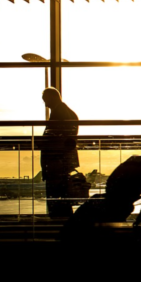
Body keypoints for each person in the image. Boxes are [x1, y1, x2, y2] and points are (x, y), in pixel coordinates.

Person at [41, 87, 80, 218]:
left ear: (53, 97)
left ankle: (59, 224)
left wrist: (44, 142)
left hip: (56, 161)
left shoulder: (60, 113)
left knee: (56, 197)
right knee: (63, 198)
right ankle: (64, 224)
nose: (45, 103)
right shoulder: (68, 112)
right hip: (62, 161)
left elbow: (58, 138)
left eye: (45, 99)